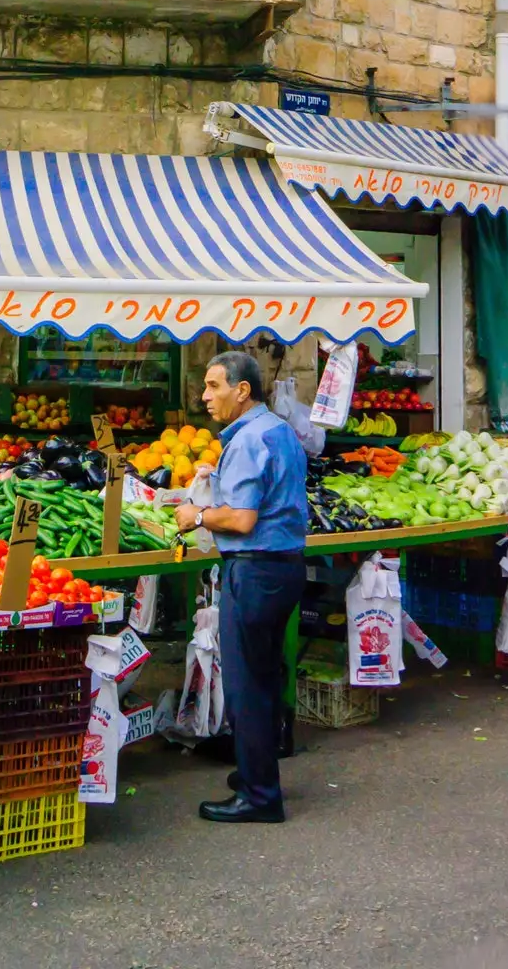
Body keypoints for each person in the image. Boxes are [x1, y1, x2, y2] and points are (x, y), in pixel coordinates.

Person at [173, 349, 308, 826]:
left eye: (213, 386)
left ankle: (260, 796)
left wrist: (198, 516)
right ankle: (258, 772)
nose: (205, 396)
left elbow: (243, 518)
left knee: (247, 682)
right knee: (266, 675)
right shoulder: (279, 431)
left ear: (241, 390)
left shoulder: (250, 440)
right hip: (286, 566)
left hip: (254, 570)